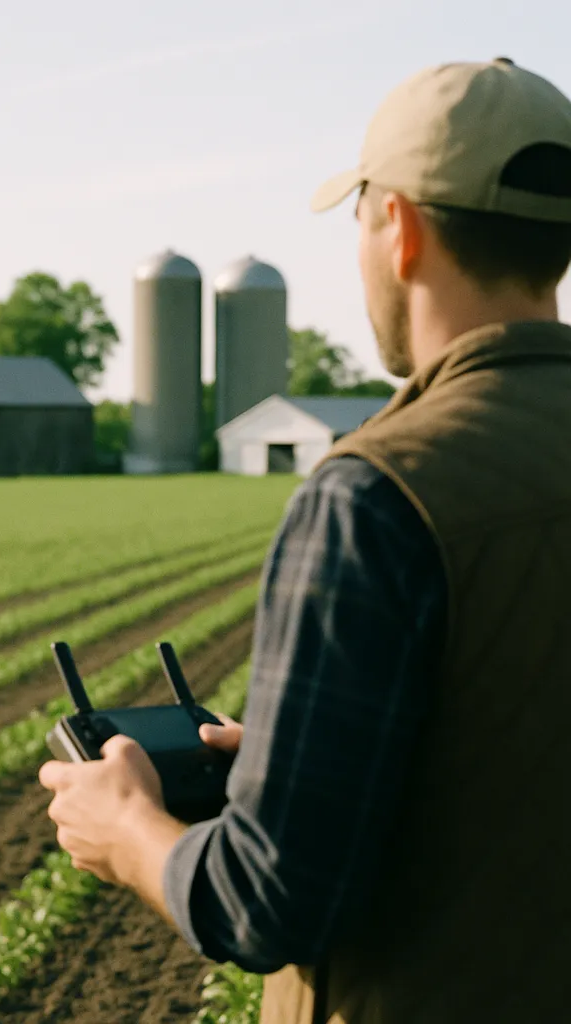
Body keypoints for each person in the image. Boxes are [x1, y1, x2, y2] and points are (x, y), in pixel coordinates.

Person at [38, 56, 571, 1024]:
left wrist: (126, 828)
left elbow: (266, 903)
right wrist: (310, 763)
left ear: (397, 227)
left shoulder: (378, 491)